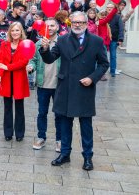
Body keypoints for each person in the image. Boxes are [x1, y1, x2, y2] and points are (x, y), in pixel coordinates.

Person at [39, 11, 109, 171]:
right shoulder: (63, 40)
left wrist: (92, 78)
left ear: (86, 24)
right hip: (66, 87)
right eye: (75, 22)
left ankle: (88, 157)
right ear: (70, 23)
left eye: (81, 22)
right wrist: (44, 49)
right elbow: (50, 58)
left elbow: (104, 64)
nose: (78, 25)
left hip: (85, 87)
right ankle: (65, 154)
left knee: (86, 124)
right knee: (64, 123)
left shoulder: (96, 41)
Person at [27, 18, 62, 152]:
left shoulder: (63, 43)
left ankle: (59, 140)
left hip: (59, 85)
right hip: (42, 84)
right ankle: (41, 137)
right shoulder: (38, 44)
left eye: (52, 26)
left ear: (57, 27)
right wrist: (31, 66)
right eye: (47, 26)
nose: (50, 28)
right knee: (42, 113)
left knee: (59, 114)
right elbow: (33, 60)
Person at [0, 22, 30, 142]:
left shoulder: (25, 45)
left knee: (19, 108)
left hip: (19, 79)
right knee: (7, 107)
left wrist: (8, 67)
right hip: (6, 79)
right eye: (13, 30)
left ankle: (20, 133)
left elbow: (24, 62)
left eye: (17, 30)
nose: (15, 33)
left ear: (21, 32)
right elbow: (0, 60)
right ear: (9, 32)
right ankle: (8, 132)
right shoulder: (4, 44)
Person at [109, 4, 124, 77]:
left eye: (111, 7)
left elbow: (121, 28)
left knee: (113, 56)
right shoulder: (103, 16)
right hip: (104, 40)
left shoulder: (117, 17)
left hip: (114, 39)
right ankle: (101, 72)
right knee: (102, 56)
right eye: (108, 7)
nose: (109, 9)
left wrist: (120, 39)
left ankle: (113, 71)